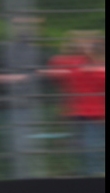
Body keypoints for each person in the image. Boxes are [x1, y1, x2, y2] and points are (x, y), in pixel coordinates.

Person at [43, 31, 105, 176]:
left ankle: (95, 175)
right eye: (81, 43)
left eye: (89, 43)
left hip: (97, 113)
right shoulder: (73, 62)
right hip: (77, 112)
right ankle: (88, 175)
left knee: (91, 148)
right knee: (81, 149)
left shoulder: (98, 62)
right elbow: (55, 68)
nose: (85, 46)